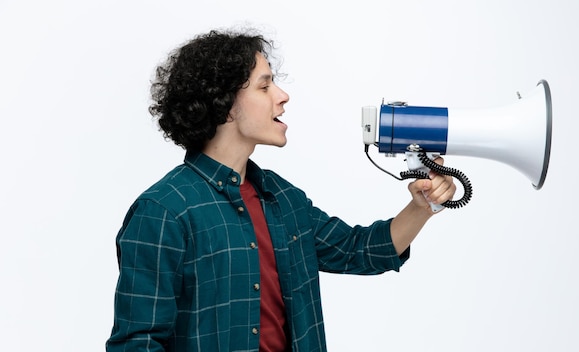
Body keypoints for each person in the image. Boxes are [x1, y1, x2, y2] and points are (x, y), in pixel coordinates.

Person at [106, 28, 456, 352]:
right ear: (225, 105)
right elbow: (138, 343)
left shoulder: (282, 198)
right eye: (264, 86)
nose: (283, 96)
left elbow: (357, 250)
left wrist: (422, 206)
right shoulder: (163, 212)